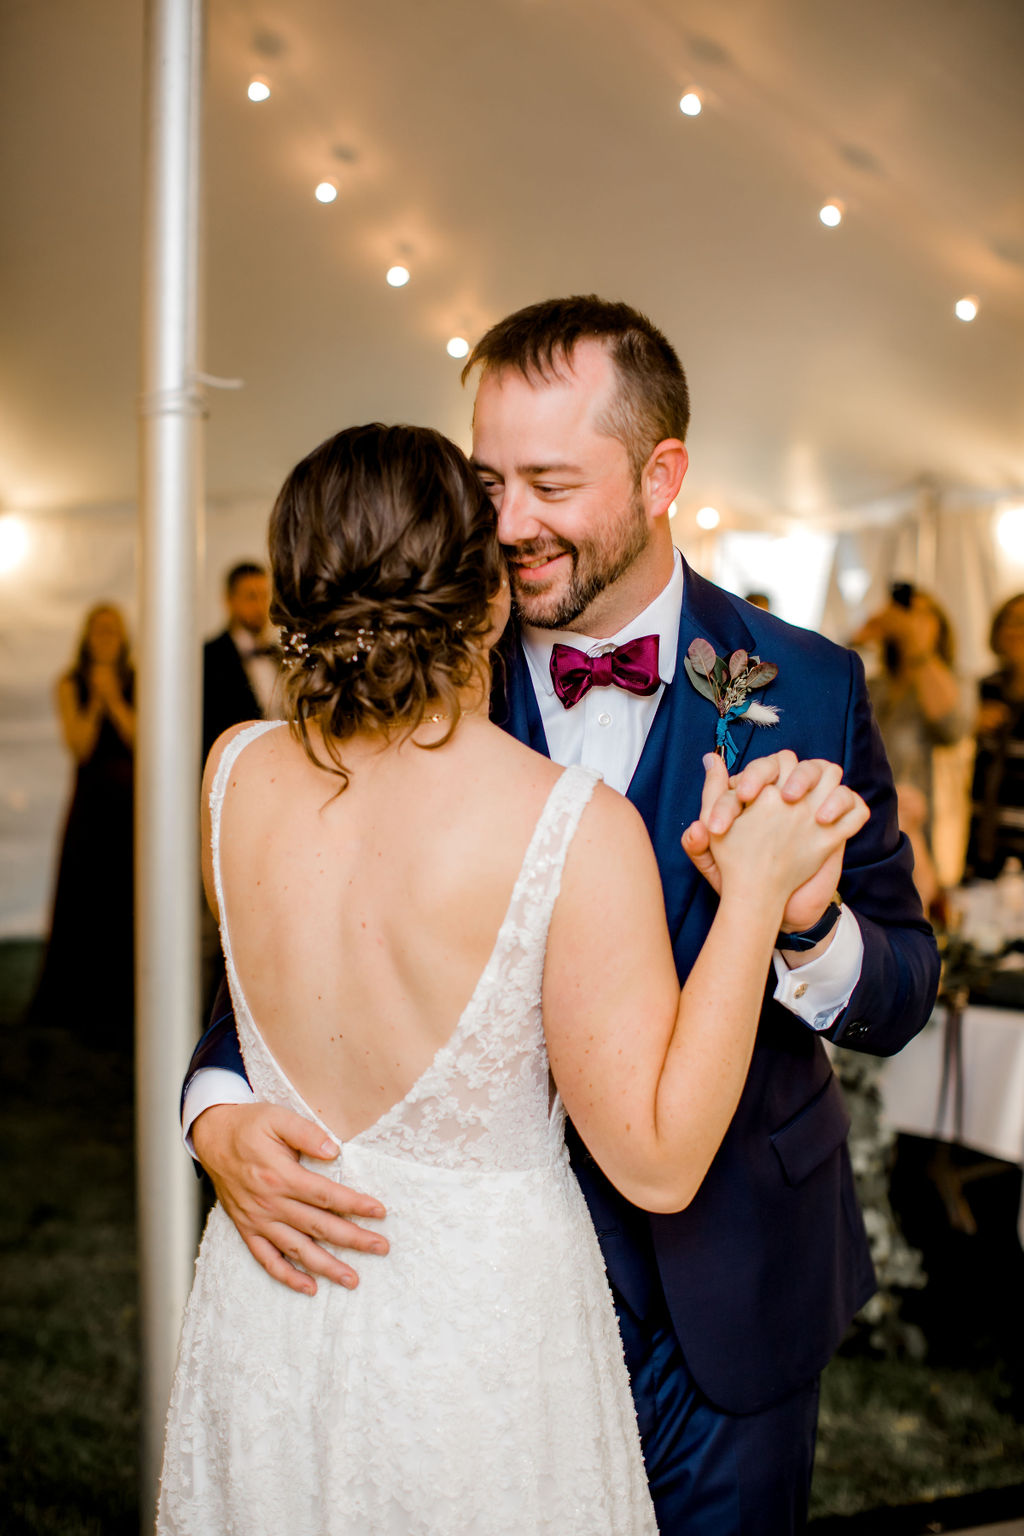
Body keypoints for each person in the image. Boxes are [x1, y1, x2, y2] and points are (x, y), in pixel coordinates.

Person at [182, 298, 940, 1534]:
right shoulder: (413, 685)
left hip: (729, 1298)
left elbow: (905, 979)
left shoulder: (806, 684)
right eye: (486, 482)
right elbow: (299, 952)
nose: (510, 524)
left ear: (661, 475)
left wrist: (804, 929)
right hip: (470, 1313)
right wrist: (213, 1109)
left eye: (547, 482)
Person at [30, 603, 136, 1047]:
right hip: (90, 803)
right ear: (88, 636)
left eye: (114, 630)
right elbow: (79, 745)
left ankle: (125, 996)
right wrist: (95, 701)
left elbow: (140, 739)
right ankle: (77, 998)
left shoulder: (139, 680)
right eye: (99, 630)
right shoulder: (67, 682)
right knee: (83, 892)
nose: (107, 637)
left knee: (125, 893)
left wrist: (115, 699)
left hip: (130, 802)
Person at [852, 584, 964, 912]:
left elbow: (951, 727)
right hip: (868, 831)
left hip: (925, 840)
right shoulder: (875, 685)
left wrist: (917, 644)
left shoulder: (951, 682)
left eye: (921, 612)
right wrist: (859, 636)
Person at [965, 591, 1024, 877]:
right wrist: (969, 725)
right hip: (979, 846)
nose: (1017, 631)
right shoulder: (980, 690)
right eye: (1010, 622)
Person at [202, 561, 281, 760]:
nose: (260, 606)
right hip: (232, 766)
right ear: (229, 601)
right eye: (251, 597)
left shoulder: (281, 656)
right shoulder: (208, 657)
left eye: (265, 596)